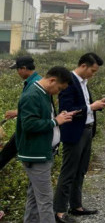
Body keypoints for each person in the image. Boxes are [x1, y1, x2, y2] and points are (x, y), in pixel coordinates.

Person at [53, 53, 105, 223]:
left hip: (86, 131)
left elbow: (85, 106)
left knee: (81, 170)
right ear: (83, 66)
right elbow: (66, 110)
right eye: (92, 71)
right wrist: (90, 107)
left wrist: (99, 104)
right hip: (74, 133)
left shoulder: (83, 83)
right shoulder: (69, 82)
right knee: (68, 172)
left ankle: (76, 205)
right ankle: (59, 211)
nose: (93, 74)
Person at [16, 66, 75, 223]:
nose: (58, 92)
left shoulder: (43, 93)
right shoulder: (32, 95)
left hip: (42, 152)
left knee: (34, 198)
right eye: (59, 88)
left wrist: (58, 118)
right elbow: (29, 125)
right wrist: (55, 121)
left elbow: (43, 118)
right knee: (46, 200)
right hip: (36, 155)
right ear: (52, 80)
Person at [0, 56, 41, 171]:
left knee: (8, 152)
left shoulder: (35, 84)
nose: (17, 72)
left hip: (28, 125)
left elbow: (39, 107)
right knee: (7, 152)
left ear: (23, 68)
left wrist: (17, 112)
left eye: (18, 69)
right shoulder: (33, 81)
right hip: (25, 124)